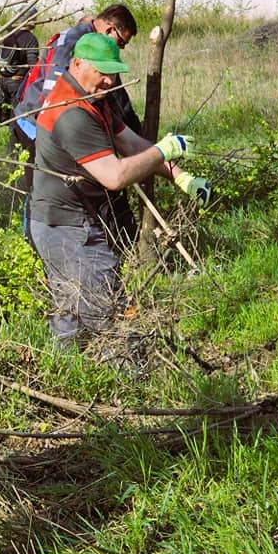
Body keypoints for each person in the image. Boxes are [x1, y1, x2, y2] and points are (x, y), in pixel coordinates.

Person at [28, 32, 212, 357]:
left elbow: (129, 143)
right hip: (69, 230)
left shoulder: (93, 97)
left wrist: (182, 177)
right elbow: (115, 176)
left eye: (113, 72)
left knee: (71, 314)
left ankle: (68, 376)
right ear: (77, 63)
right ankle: (129, 390)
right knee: (109, 315)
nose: (109, 80)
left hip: (62, 222)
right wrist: (163, 151)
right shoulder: (71, 113)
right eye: (102, 71)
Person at [14, 4, 142, 242]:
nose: (120, 49)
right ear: (109, 29)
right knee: (44, 190)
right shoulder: (73, 42)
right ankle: (35, 244)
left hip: (60, 121)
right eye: (121, 43)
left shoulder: (99, 48)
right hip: (36, 124)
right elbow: (53, 101)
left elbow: (113, 98)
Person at [0, 6, 39, 135]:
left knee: (6, 113)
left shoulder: (7, 34)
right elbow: (32, 64)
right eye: (35, 18)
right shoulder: (30, 39)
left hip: (2, 81)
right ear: (30, 20)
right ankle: (15, 142)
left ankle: (12, 139)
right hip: (17, 82)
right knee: (18, 115)